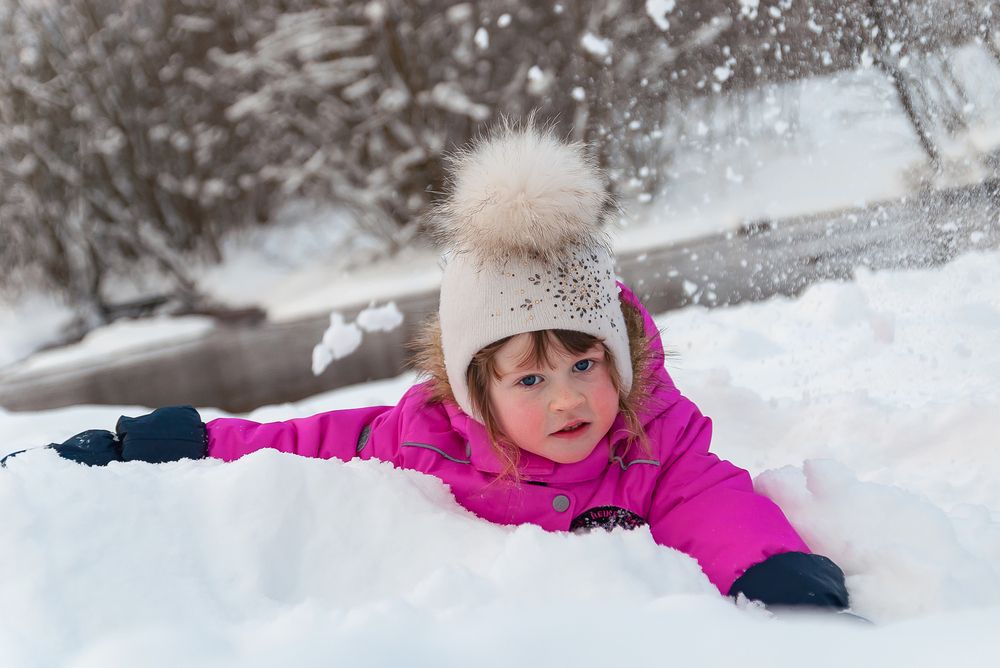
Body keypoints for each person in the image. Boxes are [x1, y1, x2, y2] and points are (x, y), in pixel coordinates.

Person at [3, 124, 849, 611]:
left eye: (585, 363)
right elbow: (294, 442)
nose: (568, 398)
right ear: (476, 393)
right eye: (529, 379)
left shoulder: (650, 435)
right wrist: (160, 441)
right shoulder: (423, 442)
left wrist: (770, 568)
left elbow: (707, 497)